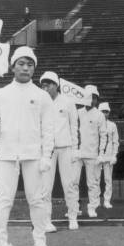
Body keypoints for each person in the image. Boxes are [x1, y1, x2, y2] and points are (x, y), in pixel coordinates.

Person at [0, 46, 54, 246]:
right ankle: (1, 245)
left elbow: (48, 130)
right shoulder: (1, 94)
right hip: (7, 154)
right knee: (5, 199)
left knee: (36, 200)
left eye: (30, 64)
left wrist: (46, 156)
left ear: (34, 69)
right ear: (13, 66)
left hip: (33, 155)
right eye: (21, 63)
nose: (25, 68)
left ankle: (40, 239)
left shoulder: (42, 96)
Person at [39, 71, 79, 232]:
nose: (45, 87)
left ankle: (73, 216)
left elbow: (74, 127)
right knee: (45, 187)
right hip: (47, 150)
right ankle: (46, 220)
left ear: (56, 85)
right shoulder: (41, 102)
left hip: (66, 148)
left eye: (48, 84)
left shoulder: (68, 102)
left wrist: (75, 149)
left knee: (69, 184)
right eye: (43, 85)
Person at [73, 84, 107, 218]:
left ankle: (92, 207)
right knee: (73, 182)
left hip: (92, 154)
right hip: (77, 153)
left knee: (92, 183)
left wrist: (101, 154)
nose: (92, 100)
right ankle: (74, 207)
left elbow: (103, 135)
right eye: (89, 97)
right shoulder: (77, 112)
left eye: (94, 98)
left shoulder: (99, 115)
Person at [97, 102, 119, 209]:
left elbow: (115, 141)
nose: (104, 114)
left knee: (108, 180)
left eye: (106, 112)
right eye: (102, 112)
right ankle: (95, 200)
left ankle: (107, 200)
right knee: (95, 180)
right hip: (97, 155)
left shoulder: (112, 125)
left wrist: (114, 155)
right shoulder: (95, 124)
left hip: (109, 155)